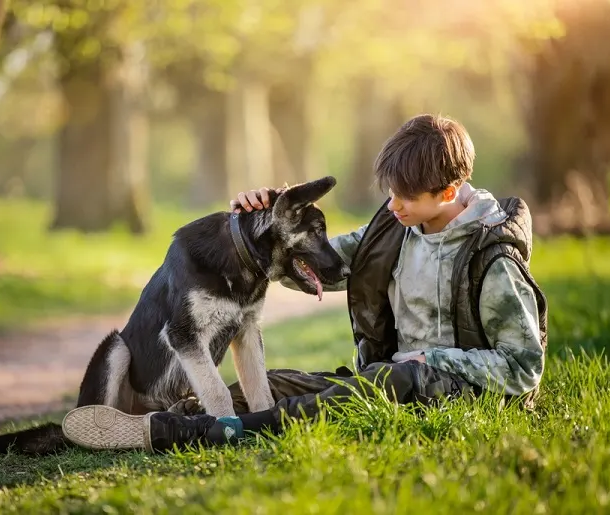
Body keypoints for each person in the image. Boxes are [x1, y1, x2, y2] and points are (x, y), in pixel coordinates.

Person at [63, 113, 548, 452]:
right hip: (388, 376)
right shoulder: (396, 227)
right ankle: (152, 424)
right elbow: (314, 266)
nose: (393, 206)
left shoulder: (493, 258)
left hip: (455, 389)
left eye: (406, 198)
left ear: (447, 192)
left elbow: (524, 368)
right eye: (390, 194)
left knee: (388, 379)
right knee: (274, 385)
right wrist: (266, 222)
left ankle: (210, 433)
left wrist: (432, 359)